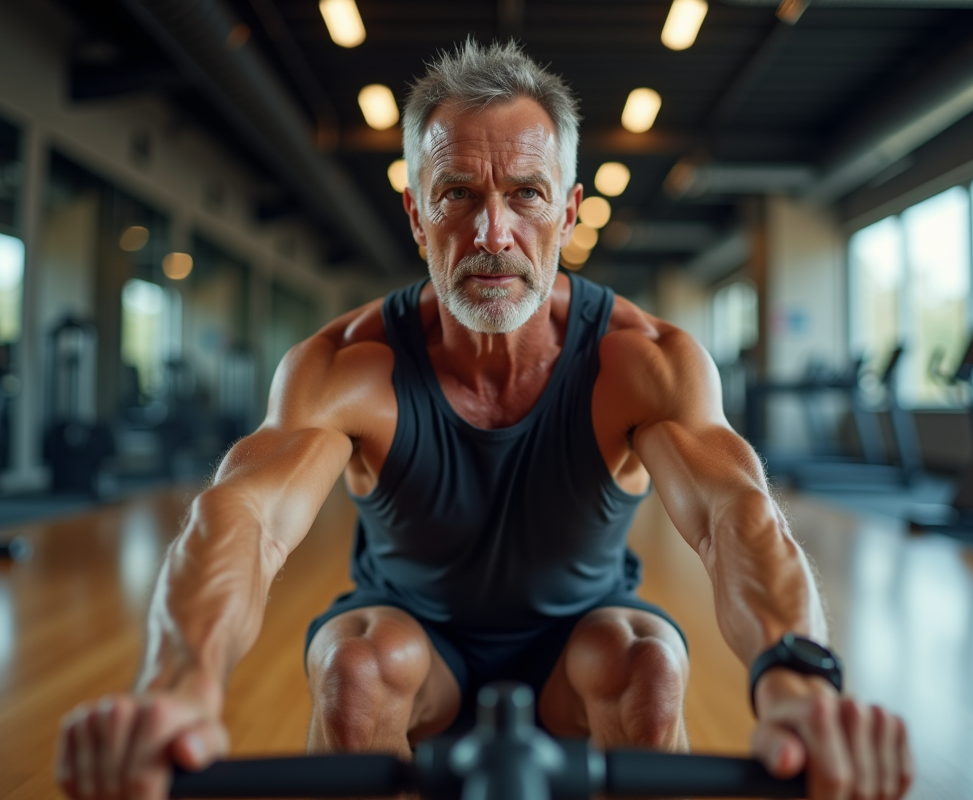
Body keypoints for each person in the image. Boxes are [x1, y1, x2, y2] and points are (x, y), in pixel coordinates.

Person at [56, 40, 913, 800]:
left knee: (649, 669)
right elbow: (240, 519)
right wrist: (180, 685)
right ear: (416, 211)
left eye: (527, 195)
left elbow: (738, 517)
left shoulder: (640, 360)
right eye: (458, 193)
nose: (491, 231)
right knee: (353, 673)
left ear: (569, 213)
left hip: (580, 643)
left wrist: (799, 685)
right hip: (410, 640)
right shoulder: (347, 367)